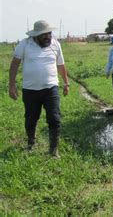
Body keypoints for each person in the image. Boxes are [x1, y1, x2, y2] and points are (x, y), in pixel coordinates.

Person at [8, 20, 69, 158]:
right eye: (44, 34)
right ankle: (31, 142)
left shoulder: (55, 44)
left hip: (51, 88)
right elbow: (15, 63)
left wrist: (66, 83)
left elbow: (61, 65)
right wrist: (12, 85)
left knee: (54, 118)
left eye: (49, 33)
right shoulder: (25, 44)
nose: (48, 36)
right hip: (30, 90)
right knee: (31, 118)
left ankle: (53, 150)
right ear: (36, 35)